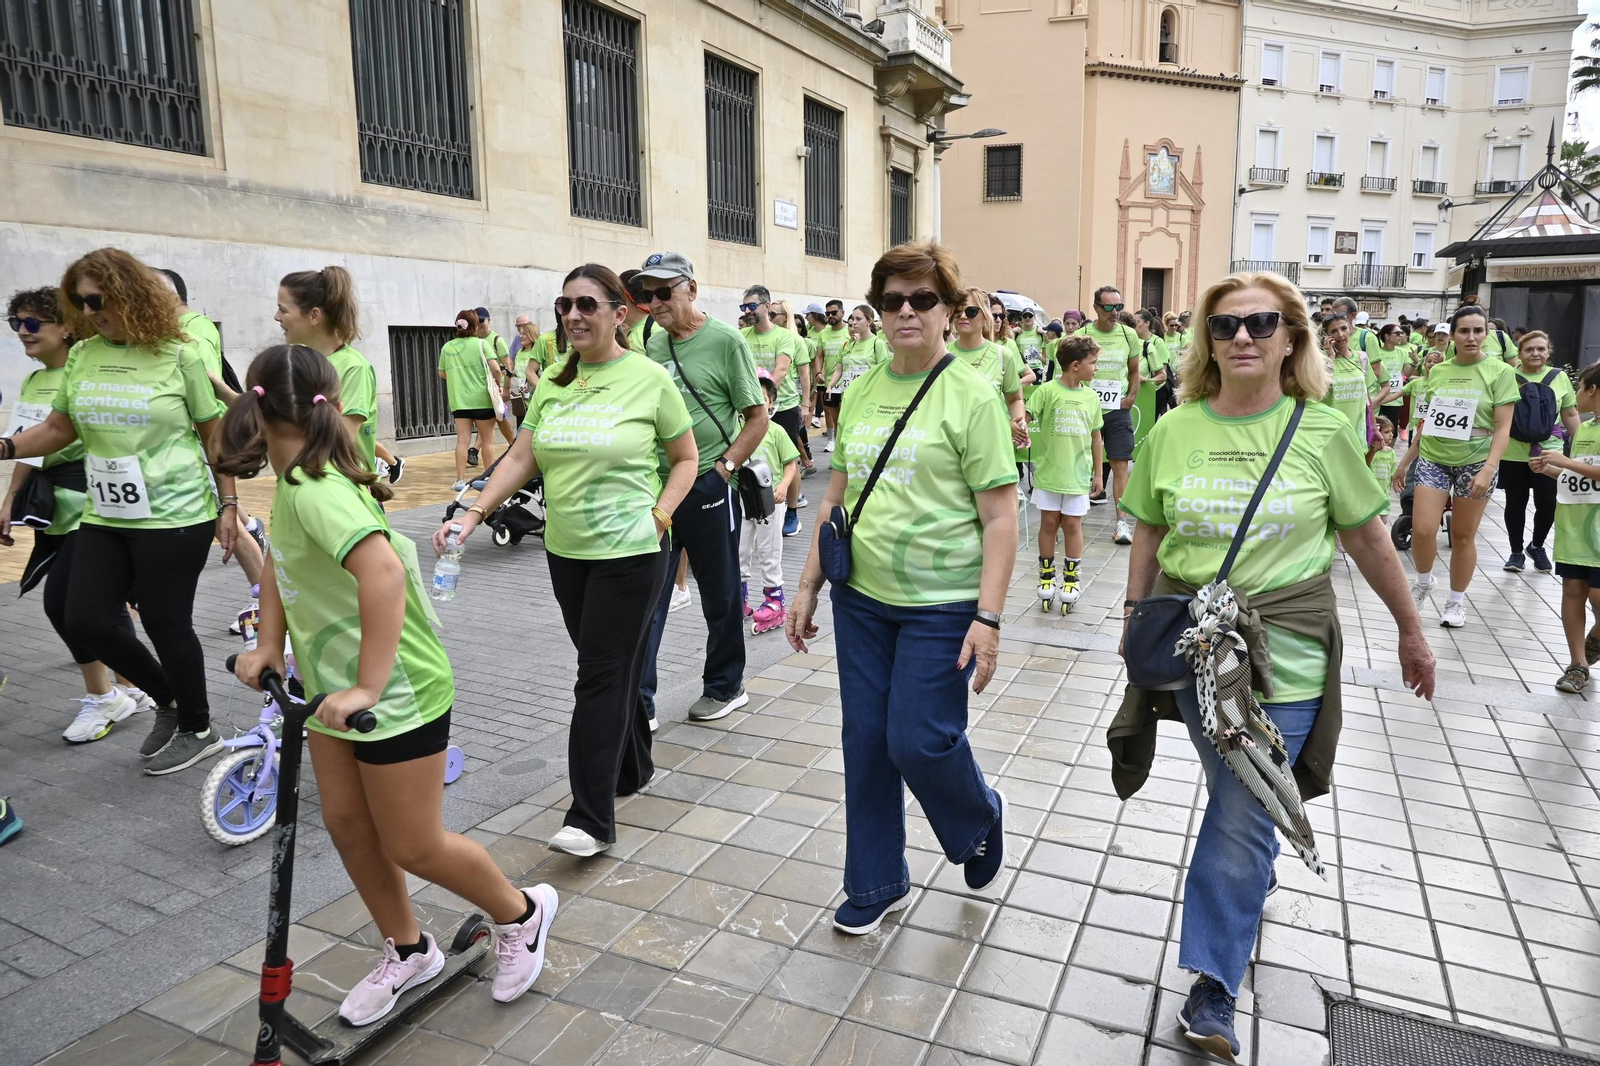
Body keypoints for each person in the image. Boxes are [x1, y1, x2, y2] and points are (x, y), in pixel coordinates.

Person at [1113, 270, 1436, 1062]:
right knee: (1239, 796)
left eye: (1261, 323)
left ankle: (1213, 987)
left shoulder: (1321, 430)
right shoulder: (1173, 428)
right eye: (1225, 327)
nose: (1244, 338)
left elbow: (1364, 537)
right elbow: (1150, 536)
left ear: (1292, 337)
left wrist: (1410, 629)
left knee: (1241, 807)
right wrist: (1134, 623)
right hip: (1194, 649)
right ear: (1207, 343)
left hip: (1287, 655)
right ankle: (1249, 882)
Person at [221, 344, 556, 1020]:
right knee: (348, 824)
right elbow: (278, 568)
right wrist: (267, 644)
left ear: (254, 411)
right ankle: (409, 949)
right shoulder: (293, 484)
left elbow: (383, 575)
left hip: (394, 691)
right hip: (328, 691)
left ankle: (520, 912)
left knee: (412, 842)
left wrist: (368, 687)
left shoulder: (317, 491)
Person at [787, 239, 1018, 936]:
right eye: (893, 301)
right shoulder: (859, 388)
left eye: (923, 299)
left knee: (919, 740)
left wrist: (990, 617)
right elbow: (840, 487)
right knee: (865, 739)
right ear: (878, 312)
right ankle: (877, 880)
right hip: (863, 598)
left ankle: (979, 814)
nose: (907, 312)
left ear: (949, 310)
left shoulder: (971, 395)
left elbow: (1002, 516)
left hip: (942, 603)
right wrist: (808, 583)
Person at [441, 265, 696, 852]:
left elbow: (684, 458)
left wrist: (659, 518)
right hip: (566, 554)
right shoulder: (555, 381)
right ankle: (633, 767)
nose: (573, 316)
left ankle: (590, 817)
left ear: (618, 313)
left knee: (597, 678)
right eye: (565, 305)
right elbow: (521, 456)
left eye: (586, 304)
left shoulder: (649, 378)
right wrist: (474, 511)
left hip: (631, 555)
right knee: (609, 668)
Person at [0, 248, 235, 775]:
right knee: (84, 617)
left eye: (97, 300)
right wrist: (5, 446)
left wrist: (230, 503)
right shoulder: (84, 355)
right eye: (78, 302)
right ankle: (169, 699)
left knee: (164, 620)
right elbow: (61, 429)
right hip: (106, 511)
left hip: (175, 513)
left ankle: (198, 727)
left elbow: (213, 433)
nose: (88, 312)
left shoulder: (181, 353)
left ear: (132, 295)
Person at [3, 287, 154, 741]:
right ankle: (135, 686)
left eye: (33, 324)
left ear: (67, 327)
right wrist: (10, 498)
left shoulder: (85, 370)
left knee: (65, 607)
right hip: (51, 511)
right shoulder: (31, 382)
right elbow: (28, 444)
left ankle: (106, 696)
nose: (23, 333)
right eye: (16, 324)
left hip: (93, 504)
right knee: (98, 607)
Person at [636, 252, 768, 726]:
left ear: (691, 288)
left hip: (709, 487)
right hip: (659, 489)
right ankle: (641, 702)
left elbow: (757, 418)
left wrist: (724, 469)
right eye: (646, 294)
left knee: (720, 593)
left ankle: (725, 686)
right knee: (648, 596)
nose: (654, 303)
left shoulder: (726, 341)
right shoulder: (649, 343)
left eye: (663, 292)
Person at [1393, 305, 1520, 628]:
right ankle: (1423, 583)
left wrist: (1490, 467)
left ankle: (1456, 601)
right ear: (1452, 336)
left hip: (1475, 461)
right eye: (1464, 331)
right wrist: (1404, 463)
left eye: (1478, 331)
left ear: (1487, 335)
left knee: (1463, 536)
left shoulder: (1500, 372)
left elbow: (1503, 427)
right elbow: (1428, 423)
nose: (1471, 337)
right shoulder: (1438, 372)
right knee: (1423, 529)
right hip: (1435, 456)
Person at [1532, 363, 1600, 691]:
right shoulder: (1585, 429)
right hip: (1575, 527)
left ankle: (1596, 639)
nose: (1575, 394)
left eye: (1579, 386)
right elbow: (1582, 475)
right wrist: (1549, 470)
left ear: (1592, 390)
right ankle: (1577, 665)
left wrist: (1565, 462)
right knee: (1573, 590)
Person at [1028, 335, 1104, 613]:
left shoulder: (1090, 396)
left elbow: (1096, 436)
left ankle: (1071, 579)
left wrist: (1098, 474)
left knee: (1072, 525)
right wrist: (1018, 428)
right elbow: (1025, 417)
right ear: (1075, 365)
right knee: (1049, 523)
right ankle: (1046, 575)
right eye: (1093, 363)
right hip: (1050, 473)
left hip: (1077, 475)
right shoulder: (1047, 391)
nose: (1096, 368)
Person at [1499, 330, 1579, 573]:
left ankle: (1537, 545)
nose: (1535, 353)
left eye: (1541, 349)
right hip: (1513, 452)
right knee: (1516, 502)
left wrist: (1583, 444)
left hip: (1549, 453)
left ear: (1548, 352)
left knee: (1547, 503)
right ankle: (1515, 552)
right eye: (1529, 349)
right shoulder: (1506, 376)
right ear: (1520, 353)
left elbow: (1570, 413)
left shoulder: (1559, 377)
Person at [740, 286, 809, 535]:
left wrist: (765, 399)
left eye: (751, 306)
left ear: (767, 307)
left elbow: (780, 370)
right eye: (743, 307)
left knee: (787, 458)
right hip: (750, 406)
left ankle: (792, 512)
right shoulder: (742, 336)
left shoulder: (784, 337)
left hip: (783, 405)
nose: (747, 311)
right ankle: (753, 505)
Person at [1076, 287, 1141, 540]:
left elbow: (1134, 370)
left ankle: (1122, 522)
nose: (1115, 312)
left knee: (1120, 462)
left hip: (1117, 408)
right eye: (1108, 307)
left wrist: (1131, 396)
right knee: (1081, 461)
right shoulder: (1083, 334)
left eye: (1119, 307)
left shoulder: (1128, 335)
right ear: (1096, 308)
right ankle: (1073, 516)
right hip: (1086, 408)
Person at [741, 371, 799, 631]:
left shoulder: (776, 431)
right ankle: (739, 597)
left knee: (769, 551)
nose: (757, 401)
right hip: (743, 499)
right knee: (740, 550)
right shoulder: (737, 430)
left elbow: (791, 465)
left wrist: (784, 486)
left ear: (771, 402)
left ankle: (775, 600)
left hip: (770, 502)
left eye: (762, 397)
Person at [438, 310, 503, 491]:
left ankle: (460, 480)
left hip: (459, 402)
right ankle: (489, 477)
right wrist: (498, 384)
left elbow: (442, 373)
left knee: (462, 441)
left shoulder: (447, 347)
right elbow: (496, 369)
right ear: (475, 326)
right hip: (482, 400)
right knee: (488, 440)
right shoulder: (481, 345)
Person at [825, 305, 890, 450]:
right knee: (847, 429)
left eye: (858, 319)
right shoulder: (848, 345)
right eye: (852, 319)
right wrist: (830, 385)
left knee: (865, 432)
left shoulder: (877, 344)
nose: (853, 322)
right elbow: (840, 369)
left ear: (869, 321)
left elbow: (883, 372)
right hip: (848, 396)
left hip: (869, 398)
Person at [1321, 312, 1381, 458]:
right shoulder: (1320, 360)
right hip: (1331, 429)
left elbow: (1366, 395)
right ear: (1326, 335)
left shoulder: (1361, 357)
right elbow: (1318, 391)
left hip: (1357, 429)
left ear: (1350, 329)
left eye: (1343, 328)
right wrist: (1330, 358)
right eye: (1333, 331)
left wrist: (1374, 427)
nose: (1340, 335)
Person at [1132, 309, 1172, 435]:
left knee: (1148, 425)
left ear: (1147, 323)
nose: (1134, 325)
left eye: (1137, 322)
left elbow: (1162, 370)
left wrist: (1148, 381)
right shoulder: (1132, 342)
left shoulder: (1156, 342)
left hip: (1155, 391)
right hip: (1138, 390)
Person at [1371, 416, 1398, 523]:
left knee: (1385, 521)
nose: (1391, 434)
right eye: (1387, 432)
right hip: (1372, 497)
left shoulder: (1391, 452)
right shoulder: (1371, 452)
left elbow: (1393, 471)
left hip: (1385, 496)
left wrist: (1396, 481)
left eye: (1391, 431)